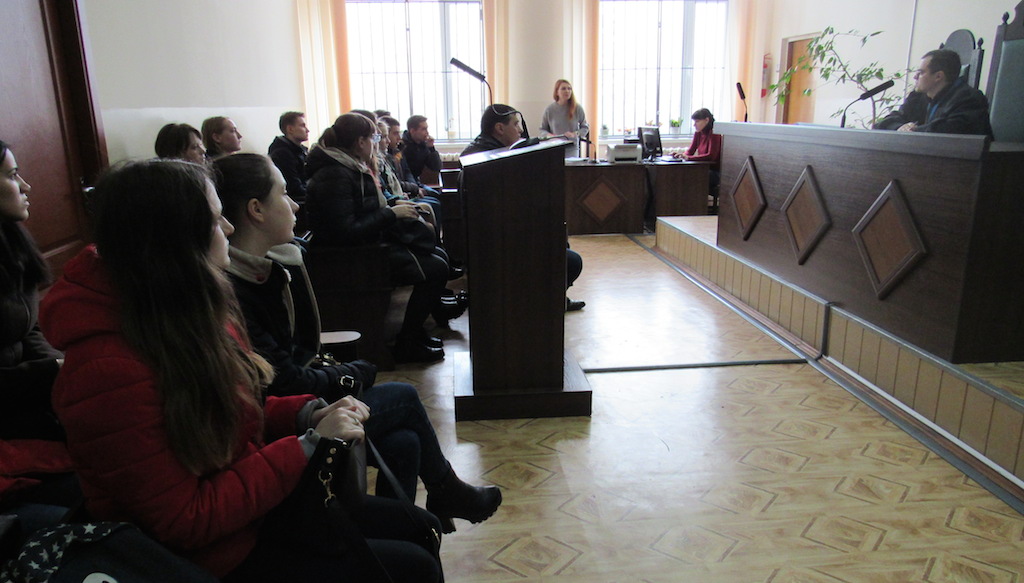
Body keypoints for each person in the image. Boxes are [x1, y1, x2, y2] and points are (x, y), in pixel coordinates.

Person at [39, 158, 443, 582]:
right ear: (176, 241)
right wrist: (306, 446)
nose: (229, 229)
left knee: (420, 528)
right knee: (411, 566)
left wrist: (306, 414)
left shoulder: (183, 310)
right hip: (207, 560)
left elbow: (228, 414)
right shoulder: (105, 370)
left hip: (249, 520)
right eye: (216, 220)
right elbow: (185, 520)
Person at [212, 153, 500, 532]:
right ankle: (442, 491)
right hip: (283, 422)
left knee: (404, 442)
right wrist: (350, 374)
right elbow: (281, 380)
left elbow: (293, 356)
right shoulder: (238, 288)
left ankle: (397, 530)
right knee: (402, 396)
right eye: (283, 194)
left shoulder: (271, 266)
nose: (295, 205)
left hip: (298, 402)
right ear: (256, 210)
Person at [305, 113, 463, 362]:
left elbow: (364, 208)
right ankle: (407, 342)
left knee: (438, 257)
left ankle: (415, 333)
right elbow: (345, 231)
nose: (377, 142)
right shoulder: (334, 174)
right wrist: (391, 214)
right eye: (374, 137)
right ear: (360, 142)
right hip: (352, 257)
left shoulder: (349, 166)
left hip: (368, 245)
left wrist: (393, 204)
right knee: (435, 268)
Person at [0, 140, 78, 535]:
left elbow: (28, 327)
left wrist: (60, 372)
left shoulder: (10, 240)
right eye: (12, 175)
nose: (26, 186)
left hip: (24, 400)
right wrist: (51, 372)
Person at [462, 105, 586, 311]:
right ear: (499, 128)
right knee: (570, 260)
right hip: (495, 241)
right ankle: (543, 303)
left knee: (558, 236)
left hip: (500, 233)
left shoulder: (489, 150)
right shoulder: (485, 157)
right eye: (516, 124)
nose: (520, 130)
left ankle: (552, 299)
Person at [873, 49, 993, 137]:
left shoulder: (969, 99)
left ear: (938, 76)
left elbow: (947, 131)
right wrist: (899, 127)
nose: (915, 77)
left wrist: (912, 131)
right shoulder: (918, 97)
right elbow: (884, 123)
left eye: (921, 73)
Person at [674, 108, 723, 194]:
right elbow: (690, 151)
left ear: (706, 120)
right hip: (703, 168)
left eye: (697, 121)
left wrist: (689, 158)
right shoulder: (698, 133)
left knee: (691, 176)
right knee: (682, 173)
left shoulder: (714, 133)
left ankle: (695, 201)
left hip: (715, 172)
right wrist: (681, 155)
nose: (694, 125)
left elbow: (711, 156)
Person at [539, 79, 590, 157]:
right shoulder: (550, 110)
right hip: (555, 148)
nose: (567, 91)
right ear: (557, 92)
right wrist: (550, 136)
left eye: (569, 89)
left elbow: (585, 128)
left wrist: (575, 134)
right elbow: (542, 130)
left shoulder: (577, 108)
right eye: (563, 89)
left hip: (572, 148)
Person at [267, 111, 310, 203]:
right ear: (290, 129)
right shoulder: (282, 154)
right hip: (295, 203)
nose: (307, 130)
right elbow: (294, 188)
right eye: (302, 126)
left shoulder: (301, 150)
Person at [401, 115, 442, 188]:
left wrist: (431, 148)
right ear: (412, 131)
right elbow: (405, 173)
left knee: (435, 193)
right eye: (424, 129)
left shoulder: (423, 145)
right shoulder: (402, 146)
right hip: (405, 184)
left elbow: (436, 167)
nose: (427, 132)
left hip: (416, 182)